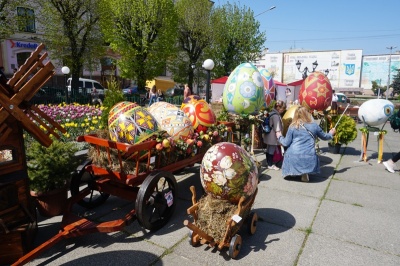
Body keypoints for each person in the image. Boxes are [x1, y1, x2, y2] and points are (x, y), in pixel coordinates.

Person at [276, 106, 336, 182]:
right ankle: (304, 172)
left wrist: (279, 136)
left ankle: (293, 171)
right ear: (307, 114)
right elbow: (325, 137)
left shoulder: (293, 126)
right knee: (309, 157)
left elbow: (285, 143)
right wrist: (331, 133)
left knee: (289, 154)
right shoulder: (314, 126)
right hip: (309, 156)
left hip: (293, 155)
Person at [262, 100, 286, 170]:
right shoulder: (276, 116)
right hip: (273, 136)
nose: (283, 110)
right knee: (271, 149)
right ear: (279, 108)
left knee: (268, 149)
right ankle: (270, 164)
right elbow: (277, 128)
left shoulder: (271, 113)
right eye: (282, 109)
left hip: (269, 134)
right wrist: (280, 138)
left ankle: (268, 163)